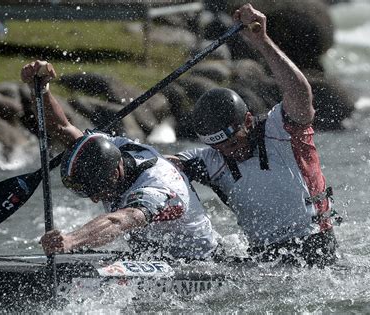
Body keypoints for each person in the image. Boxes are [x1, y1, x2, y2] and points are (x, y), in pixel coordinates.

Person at [168, 4, 338, 267]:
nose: (229, 151)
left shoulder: (281, 130)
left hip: (315, 251)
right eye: (221, 147)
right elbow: (160, 168)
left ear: (247, 121)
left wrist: (262, 41)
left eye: (233, 142)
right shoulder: (212, 159)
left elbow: (300, 96)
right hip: (262, 258)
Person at [20, 60, 220, 261]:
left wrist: (71, 241)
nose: (95, 200)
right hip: (152, 255)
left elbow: (120, 221)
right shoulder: (105, 148)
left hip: (198, 261)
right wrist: (40, 90)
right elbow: (62, 129)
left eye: (98, 191)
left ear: (116, 172)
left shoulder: (158, 187)